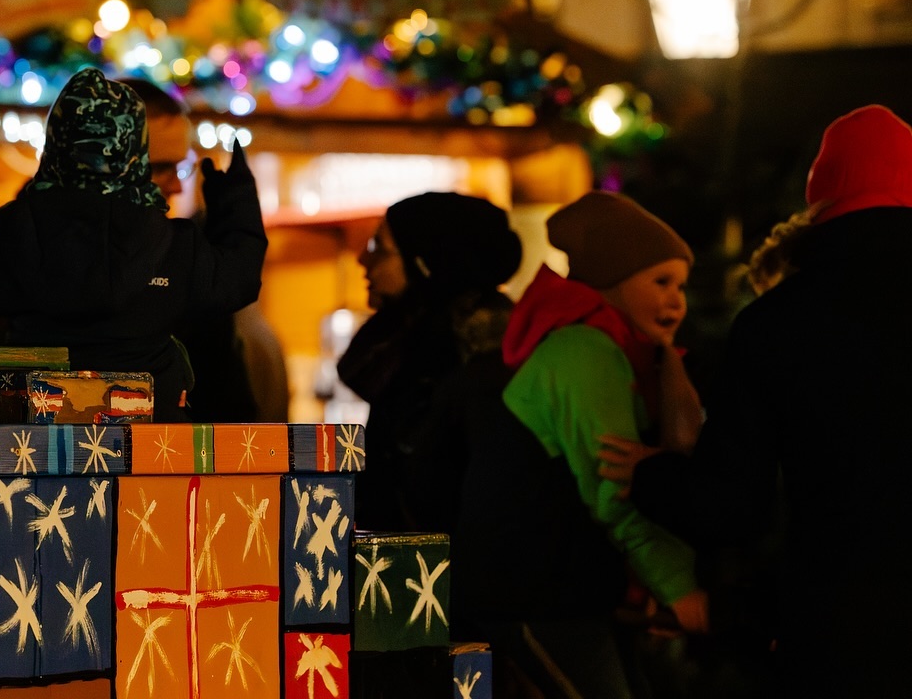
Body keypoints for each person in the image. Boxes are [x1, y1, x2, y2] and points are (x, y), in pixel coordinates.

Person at [614, 105, 912, 698]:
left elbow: (730, 507)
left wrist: (651, 474)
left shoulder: (777, 324)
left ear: (820, 202)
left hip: (843, 636)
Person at [0, 67, 267, 421]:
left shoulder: (7, 243)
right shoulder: (177, 251)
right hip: (155, 454)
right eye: (160, 167)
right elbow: (240, 275)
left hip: (24, 453)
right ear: (133, 160)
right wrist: (235, 204)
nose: (179, 185)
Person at [472, 191, 708, 699]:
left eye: (682, 285)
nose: (676, 300)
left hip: (571, 592)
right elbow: (614, 486)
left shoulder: (626, 354)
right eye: (660, 281)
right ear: (613, 283)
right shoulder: (585, 351)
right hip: (536, 595)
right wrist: (683, 590)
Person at [337, 191, 523, 532]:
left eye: (380, 248)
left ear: (425, 264)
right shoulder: (410, 347)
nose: (363, 258)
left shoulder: (468, 363)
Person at [119, 76, 285, 423]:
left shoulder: (168, 253)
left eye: (180, 166)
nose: (178, 185)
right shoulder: (162, 257)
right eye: (159, 167)